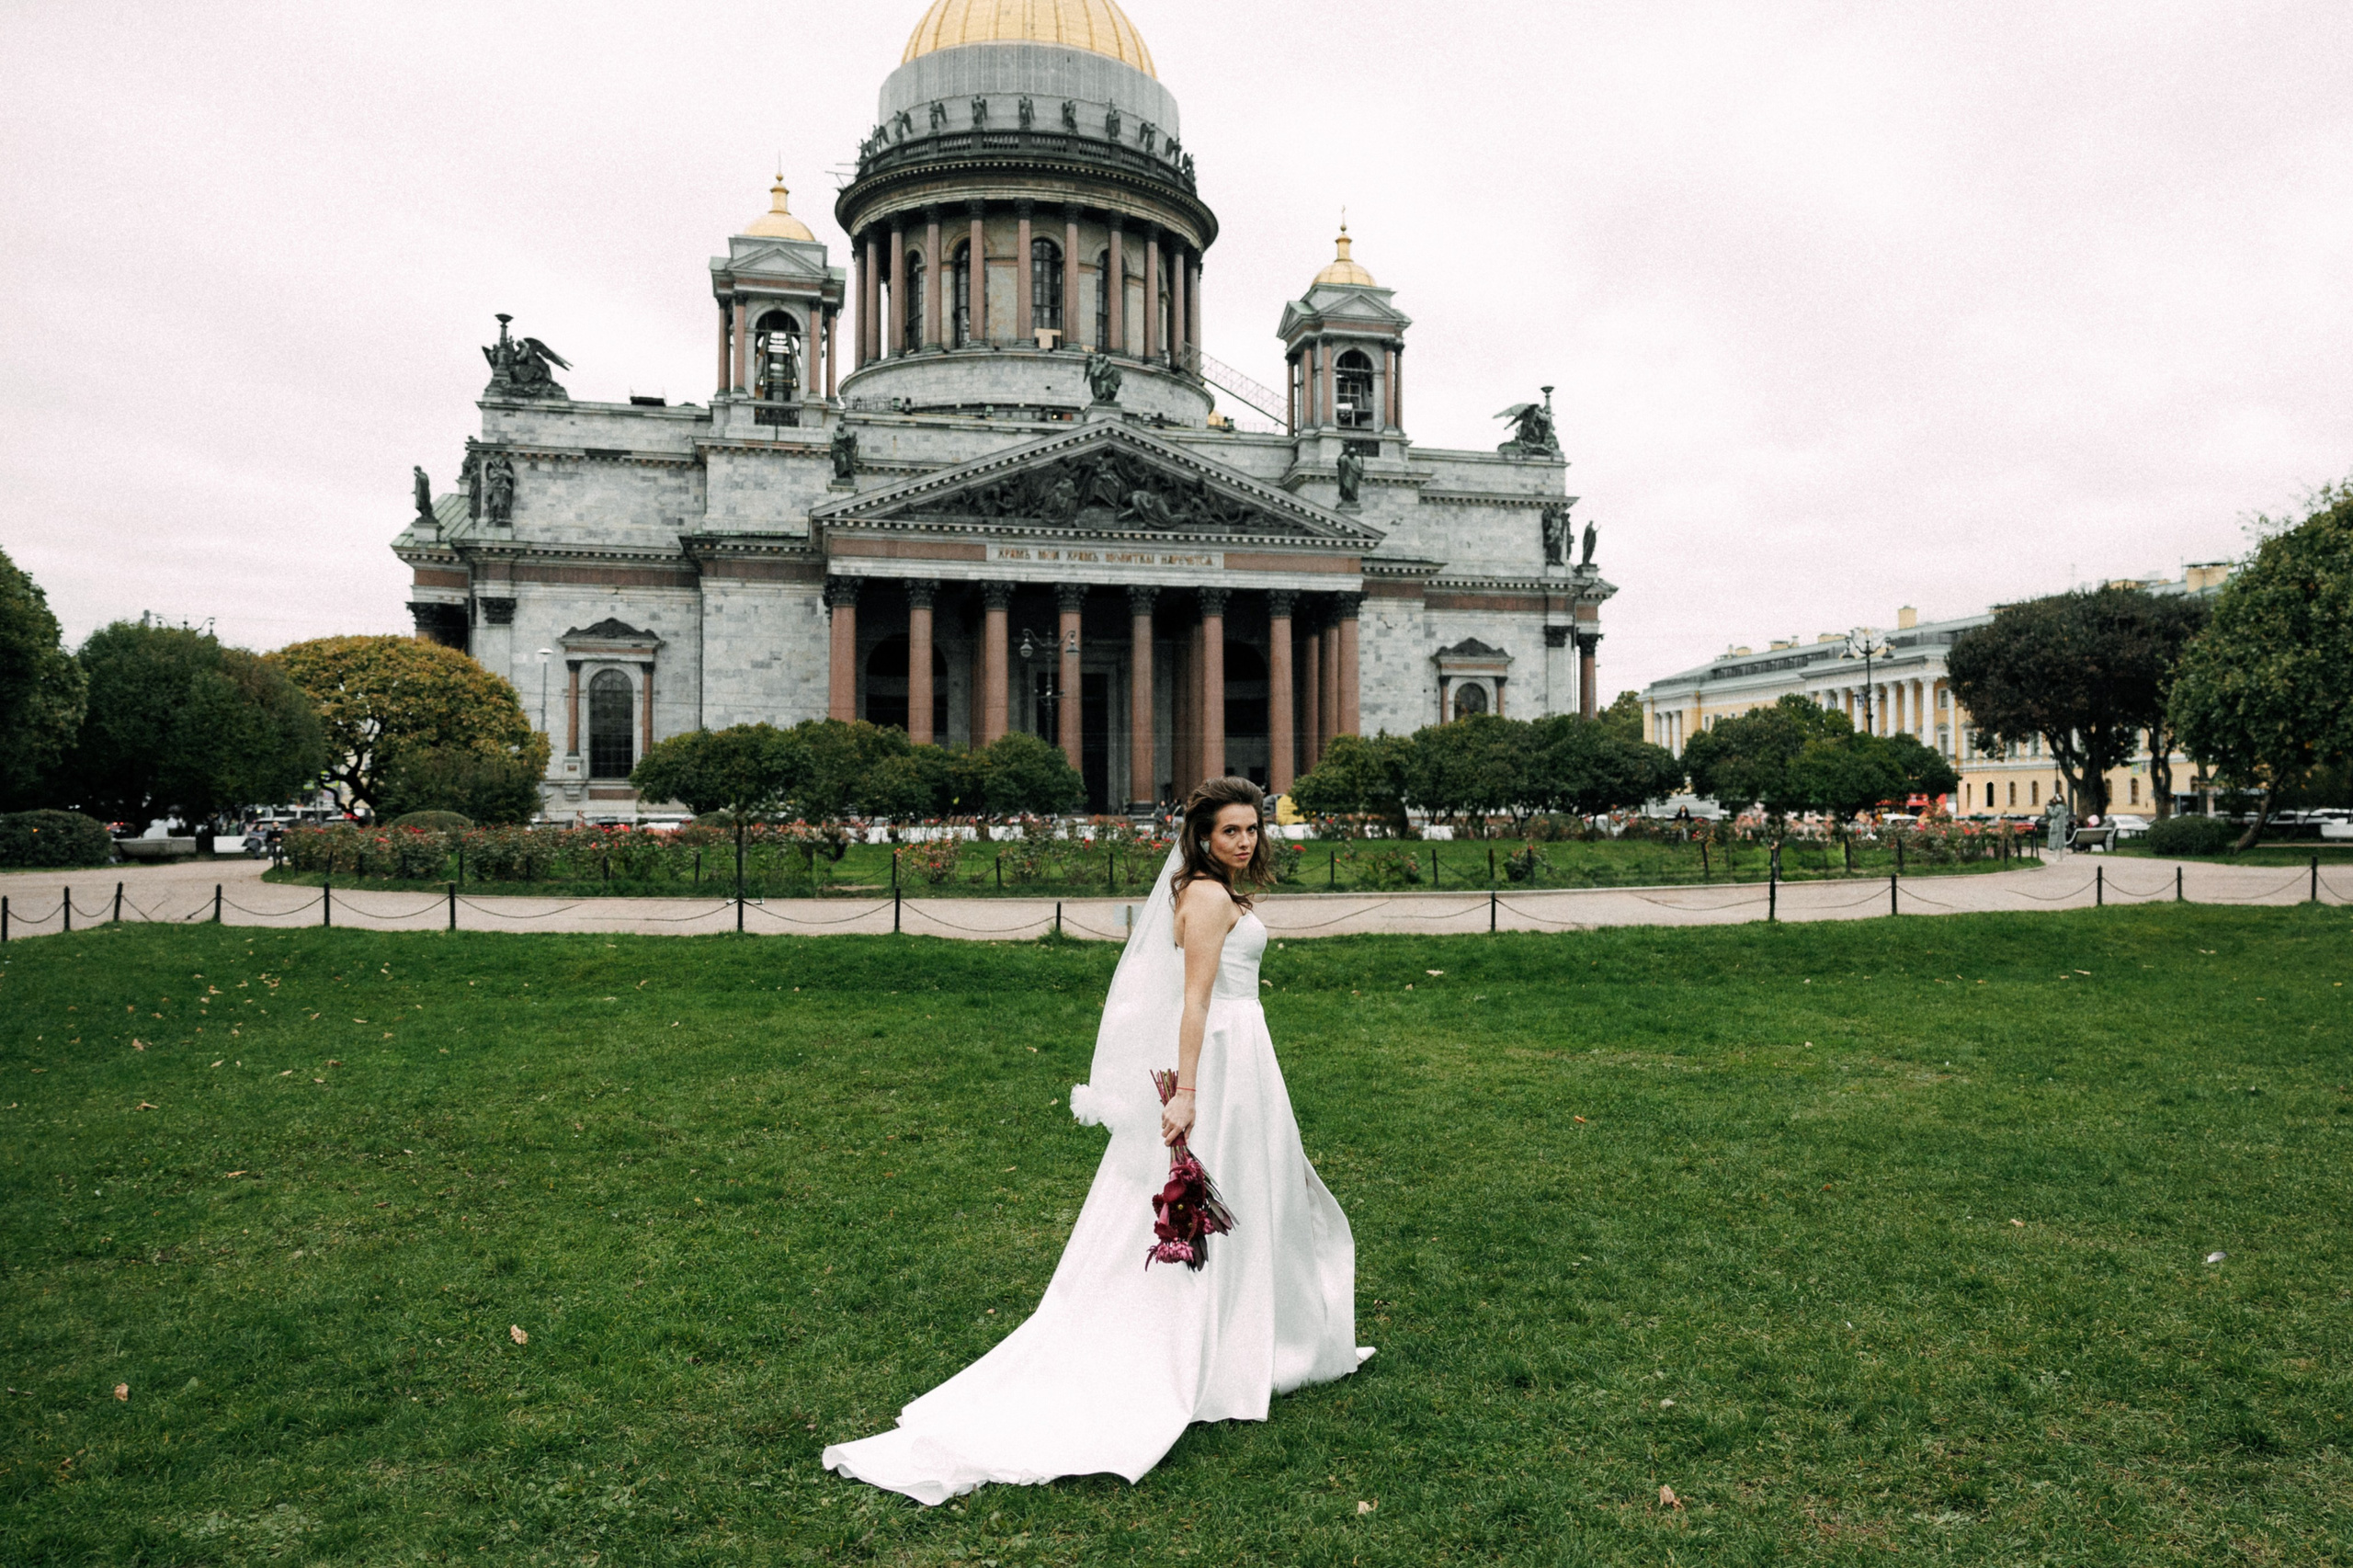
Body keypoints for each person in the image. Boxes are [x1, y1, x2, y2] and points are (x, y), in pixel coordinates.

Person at [822, 776, 1370, 1504]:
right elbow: (1195, 999)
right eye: (1231, 831)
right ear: (1202, 837)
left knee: (1251, 1190)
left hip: (1246, 1051)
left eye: (1251, 830)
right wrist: (1189, 1091)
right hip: (1224, 1057)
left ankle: (1248, 1332)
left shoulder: (1207, 888)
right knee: (1231, 1190)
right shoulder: (1206, 896)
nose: (1245, 842)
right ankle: (1223, 1345)